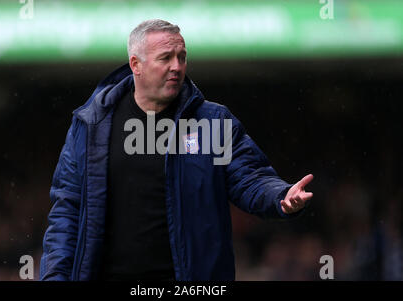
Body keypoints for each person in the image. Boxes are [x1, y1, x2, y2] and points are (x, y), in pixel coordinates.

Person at [40, 19, 314, 281]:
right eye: (165, 58)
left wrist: (280, 195)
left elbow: (249, 177)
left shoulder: (212, 121)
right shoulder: (92, 124)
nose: (177, 66)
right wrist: (54, 276)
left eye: (181, 57)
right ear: (136, 64)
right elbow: (67, 208)